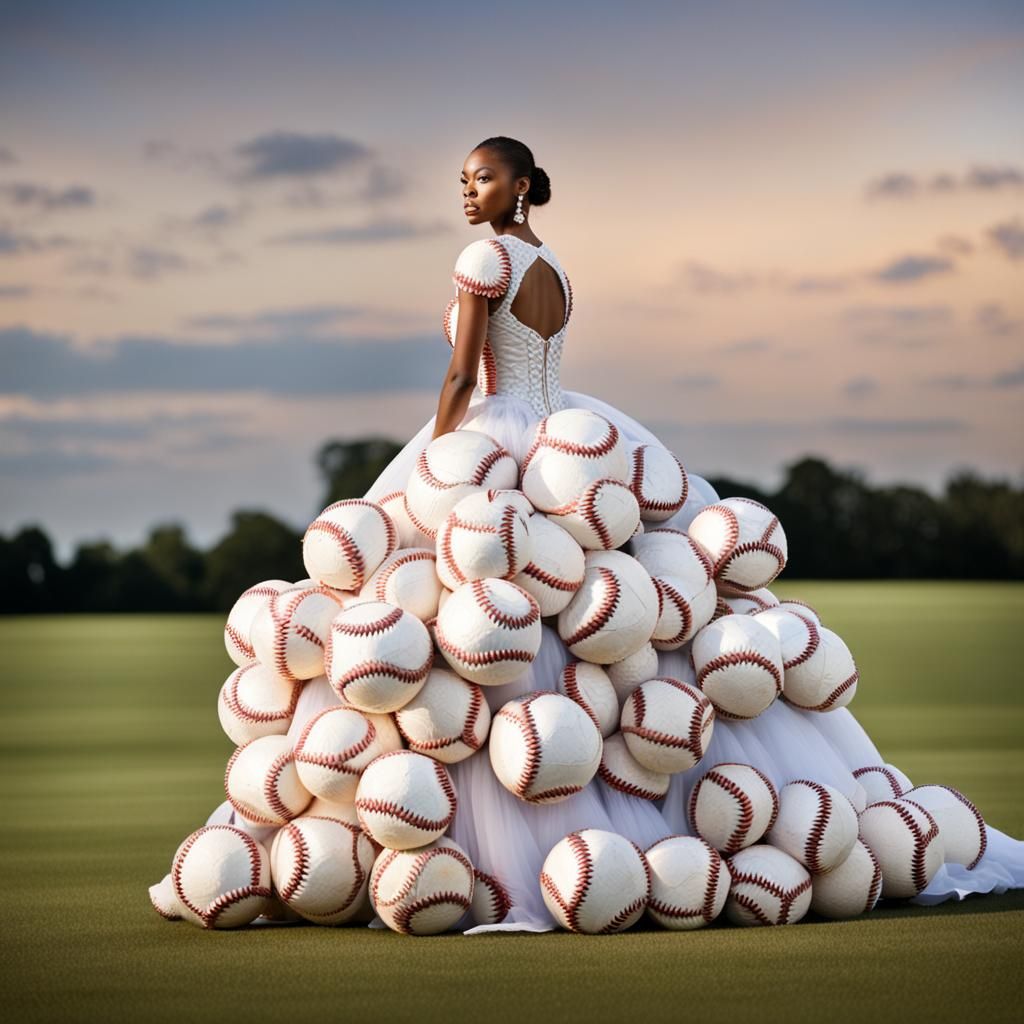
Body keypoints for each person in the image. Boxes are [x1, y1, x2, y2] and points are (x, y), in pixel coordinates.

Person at [160, 136, 1024, 933]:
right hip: (569, 438)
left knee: (475, 612)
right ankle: (667, 827)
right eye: (463, 179)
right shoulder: (556, 266)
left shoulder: (483, 258)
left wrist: (438, 450)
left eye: (483, 178)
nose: (468, 191)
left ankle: (494, 843)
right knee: (615, 608)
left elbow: (463, 373)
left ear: (521, 186)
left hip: (491, 440)